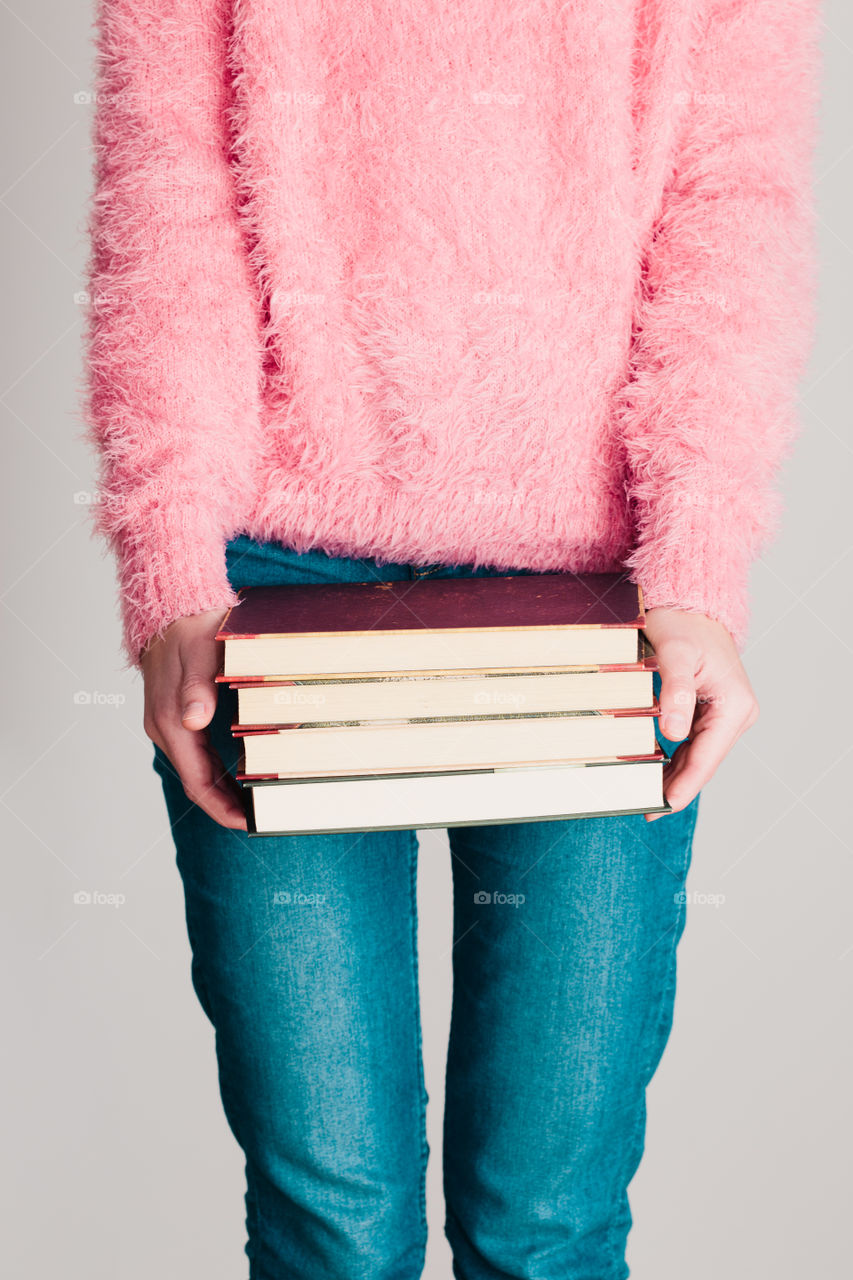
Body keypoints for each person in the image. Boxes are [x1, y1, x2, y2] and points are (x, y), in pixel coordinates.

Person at [83, 1, 820, 1275]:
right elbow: (170, 176)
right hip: (271, 581)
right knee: (332, 1229)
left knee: (546, 1224)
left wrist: (697, 560)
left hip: (602, 603)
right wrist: (170, 567)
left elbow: (730, 192)